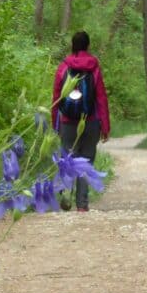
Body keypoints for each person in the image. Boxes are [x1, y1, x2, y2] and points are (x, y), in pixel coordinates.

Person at [52, 30, 110, 212]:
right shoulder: (94, 67)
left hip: (68, 121)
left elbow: (56, 96)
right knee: (86, 162)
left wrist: (56, 123)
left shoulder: (63, 67)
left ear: (72, 45)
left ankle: (66, 192)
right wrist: (105, 126)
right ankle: (82, 205)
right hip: (90, 121)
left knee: (67, 158)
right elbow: (101, 98)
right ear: (88, 46)